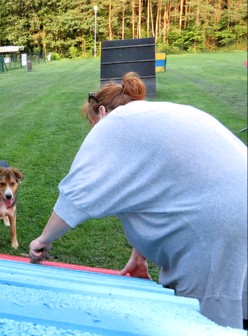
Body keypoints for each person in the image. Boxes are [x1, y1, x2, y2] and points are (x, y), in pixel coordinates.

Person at [29, 72, 247, 329]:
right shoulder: (158, 114)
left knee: (204, 320)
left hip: (219, 225)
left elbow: (77, 193)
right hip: (236, 202)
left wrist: (43, 240)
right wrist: (139, 256)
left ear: (101, 111)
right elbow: (146, 188)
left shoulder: (114, 123)